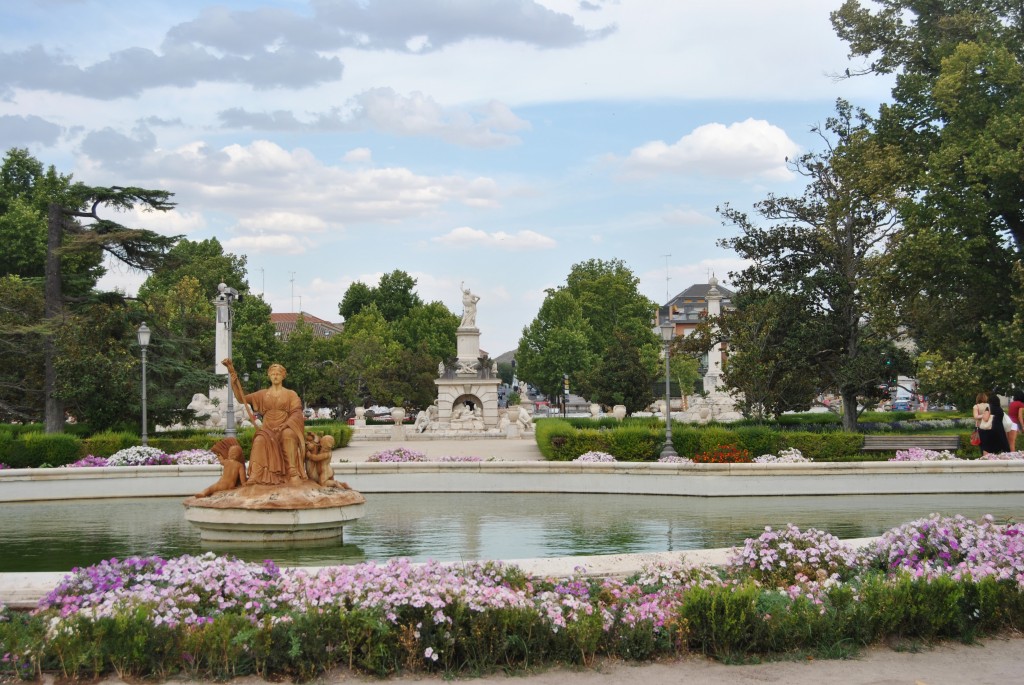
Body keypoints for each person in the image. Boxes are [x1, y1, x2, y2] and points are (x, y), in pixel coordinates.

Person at [228, 360, 306, 485]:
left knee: (288, 435)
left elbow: (297, 412)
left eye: (278, 374)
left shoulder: (291, 394)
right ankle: (256, 475)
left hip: (284, 427)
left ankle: (292, 471)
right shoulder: (262, 394)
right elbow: (241, 398)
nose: (275, 376)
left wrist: (285, 425)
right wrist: (234, 382)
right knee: (259, 440)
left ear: (283, 376)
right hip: (267, 429)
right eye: (273, 374)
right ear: (269, 376)